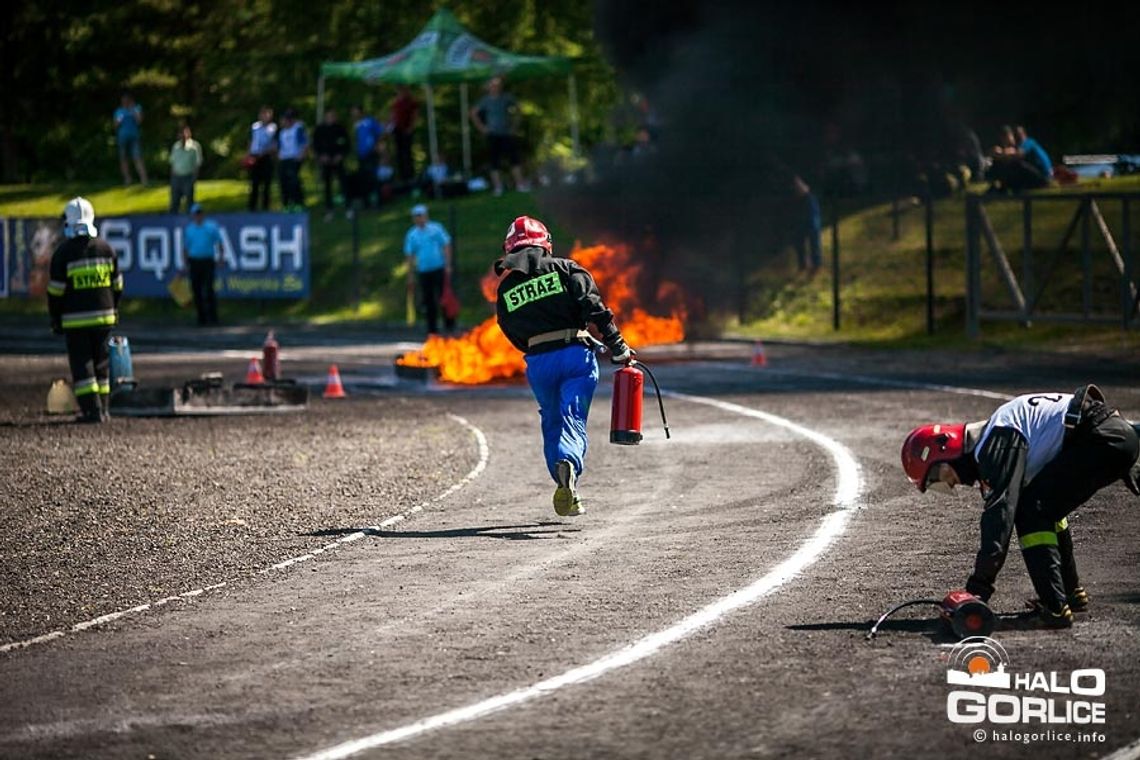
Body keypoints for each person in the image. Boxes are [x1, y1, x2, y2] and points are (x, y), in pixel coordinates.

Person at [901, 386, 1140, 629]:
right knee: (1044, 506)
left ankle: (1054, 608)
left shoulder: (996, 443)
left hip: (1102, 439)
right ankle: (1068, 593)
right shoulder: (998, 433)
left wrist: (977, 589)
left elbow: (1000, 516)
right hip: (1108, 435)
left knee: (1031, 511)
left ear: (945, 447)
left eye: (937, 476)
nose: (950, 483)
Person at [494, 216, 634, 517]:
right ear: (546, 244)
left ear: (511, 249)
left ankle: (564, 483)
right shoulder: (566, 269)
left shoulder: (506, 289)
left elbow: (508, 328)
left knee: (551, 419)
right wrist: (618, 346)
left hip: (538, 362)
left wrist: (535, 348)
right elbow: (596, 309)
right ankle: (569, 462)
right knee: (572, 416)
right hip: (575, 357)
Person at [46, 198, 123, 423]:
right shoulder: (106, 249)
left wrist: (55, 319)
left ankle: (91, 410)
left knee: (83, 365)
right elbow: (118, 286)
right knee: (102, 363)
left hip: (75, 321)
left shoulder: (63, 253)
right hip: (104, 318)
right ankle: (104, 409)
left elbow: (55, 292)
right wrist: (114, 309)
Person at [470, 77, 529, 196]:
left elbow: (519, 109)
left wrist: (515, 126)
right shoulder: (485, 100)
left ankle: (520, 184)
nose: (495, 88)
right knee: (494, 161)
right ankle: (498, 187)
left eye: (497, 85)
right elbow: (473, 113)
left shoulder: (506, 97)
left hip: (507, 133)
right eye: (493, 85)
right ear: (489, 87)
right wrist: (482, 128)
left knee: (514, 159)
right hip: (493, 134)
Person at [403, 204, 454, 336]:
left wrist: (448, 265)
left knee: (444, 296)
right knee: (428, 300)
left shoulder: (436, 229)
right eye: (416, 216)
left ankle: (449, 325)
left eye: (421, 215)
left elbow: (446, 245)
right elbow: (410, 255)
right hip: (424, 271)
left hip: (439, 268)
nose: (419, 218)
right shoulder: (412, 234)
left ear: (426, 215)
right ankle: (432, 329)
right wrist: (410, 275)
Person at [182, 203, 223, 326]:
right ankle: (201, 318)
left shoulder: (211, 227)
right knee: (196, 290)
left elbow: (219, 243)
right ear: (193, 215)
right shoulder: (189, 230)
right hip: (194, 262)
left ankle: (213, 317)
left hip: (207, 261)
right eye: (196, 214)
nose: (198, 216)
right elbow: (185, 248)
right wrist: (185, 263)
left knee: (209, 289)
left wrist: (221, 258)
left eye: (200, 213)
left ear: (203, 214)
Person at [986, 124, 1051, 193]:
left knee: (1015, 164)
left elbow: (1018, 154)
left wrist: (1001, 153)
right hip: (1036, 176)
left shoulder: (1028, 142)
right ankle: (1001, 188)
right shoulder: (1021, 145)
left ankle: (1003, 188)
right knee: (1002, 164)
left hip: (1042, 178)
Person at [313, 107, 349, 219]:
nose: (331, 118)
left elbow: (346, 143)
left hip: (338, 160)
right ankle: (329, 209)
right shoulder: (320, 129)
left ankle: (348, 207)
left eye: (333, 116)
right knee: (327, 186)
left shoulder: (340, 129)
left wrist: (341, 155)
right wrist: (321, 156)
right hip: (326, 162)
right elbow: (316, 145)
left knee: (343, 183)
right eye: (329, 116)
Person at [351, 105, 385, 209]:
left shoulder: (370, 121)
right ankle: (366, 203)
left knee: (373, 177)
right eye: (353, 112)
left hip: (371, 154)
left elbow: (380, 133)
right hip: (361, 155)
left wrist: (378, 146)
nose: (354, 114)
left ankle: (379, 201)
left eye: (356, 111)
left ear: (361, 112)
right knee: (363, 178)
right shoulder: (356, 125)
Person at [277, 108, 308, 212]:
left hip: (294, 158)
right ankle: (286, 203)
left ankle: (298, 203)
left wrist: (301, 155)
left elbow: (304, 143)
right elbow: (281, 146)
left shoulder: (298, 129)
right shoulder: (282, 132)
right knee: (283, 181)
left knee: (294, 181)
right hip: (284, 159)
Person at [114, 92, 148, 186]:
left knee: (137, 157)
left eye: (126, 100)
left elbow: (139, 121)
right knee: (123, 159)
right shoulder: (119, 111)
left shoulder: (136, 108)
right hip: (122, 138)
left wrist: (133, 111)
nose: (124, 102)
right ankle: (127, 179)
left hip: (134, 137)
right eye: (123, 101)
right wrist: (118, 120)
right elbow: (116, 125)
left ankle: (144, 179)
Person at [247, 106, 277, 211]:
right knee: (254, 183)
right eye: (262, 114)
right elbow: (251, 141)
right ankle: (252, 207)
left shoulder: (273, 128)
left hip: (266, 157)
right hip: (255, 157)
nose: (264, 116)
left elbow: (274, 144)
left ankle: (265, 207)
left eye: (267, 114)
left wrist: (265, 152)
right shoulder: (255, 127)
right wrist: (249, 155)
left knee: (266, 184)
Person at [791, 176, 823, 274]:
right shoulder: (797, 200)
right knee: (800, 244)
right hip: (802, 224)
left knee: (814, 244)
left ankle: (816, 265)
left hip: (811, 223)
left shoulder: (810, 199)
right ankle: (803, 264)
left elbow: (814, 214)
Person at [169, 124, 203, 214]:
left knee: (189, 202)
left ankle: (190, 220)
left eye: (185, 132)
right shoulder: (175, 146)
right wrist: (172, 177)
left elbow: (197, 164)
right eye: (182, 133)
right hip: (176, 177)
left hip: (188, 177)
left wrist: (194, 178)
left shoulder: (194, 147)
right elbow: (173, 163)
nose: (183, 135)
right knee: (174, 202)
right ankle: (172, 221)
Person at [390, 85, 419, 185]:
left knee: (407, 154)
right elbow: (393, 116)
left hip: (406, 130)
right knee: (399, 155)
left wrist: (411, 128)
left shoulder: (411, 102)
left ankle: (410, 177)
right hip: (397, 131)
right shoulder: (396, 102)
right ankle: (402, 178)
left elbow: (415, 115)